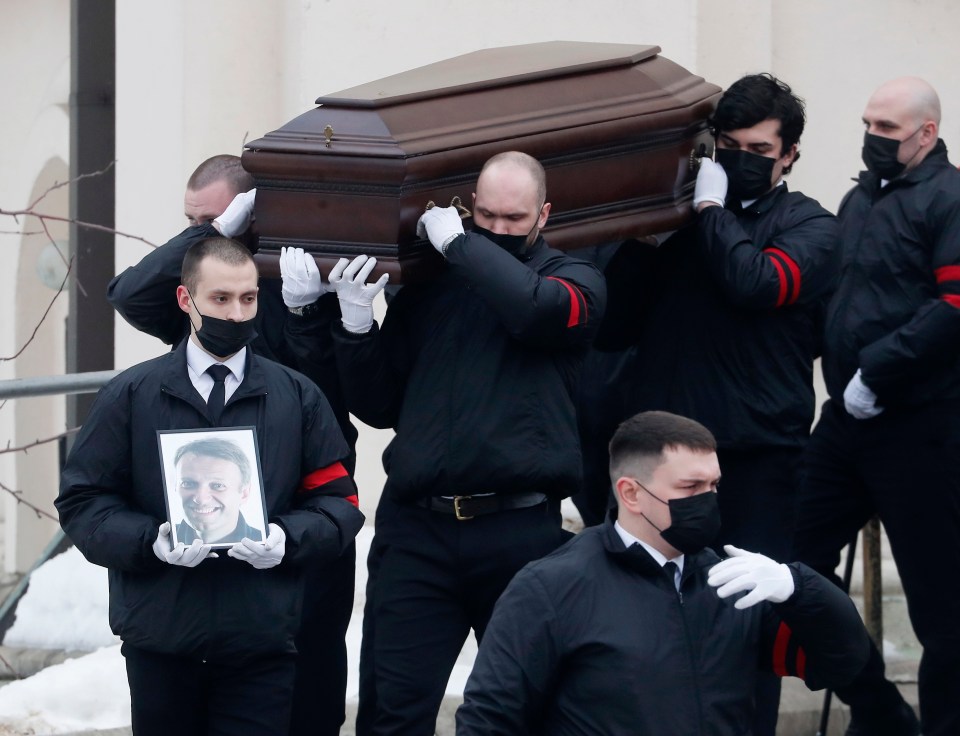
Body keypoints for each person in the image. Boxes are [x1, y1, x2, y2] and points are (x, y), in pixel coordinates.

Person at [315, 151, 606, 735]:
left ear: (544, 215)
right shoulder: (432, 288)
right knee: (392, 715)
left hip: (519, 534)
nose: (497, 230)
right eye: (486, 216)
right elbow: (380, 406)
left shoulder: (575, 282)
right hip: (418, 532)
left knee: (523, 714)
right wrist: (354, 326)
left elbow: (531, 311)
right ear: (469, 208)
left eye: (513, 219)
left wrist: (458, 247)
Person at [589, 73, 839, 734]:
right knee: (642, 620)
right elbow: (613, 328)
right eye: (726, 145)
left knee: (743, 629)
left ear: (789, 156)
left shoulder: (811, 227)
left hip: (756, 464)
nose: (738, 160)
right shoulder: (686, 226)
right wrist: (645, 243)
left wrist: (708, 214)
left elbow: (754, 282)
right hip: (661, 465)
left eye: (757, 149)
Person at [57, 237, 365, 736]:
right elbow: (83, 501)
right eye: (220, 299)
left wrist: (288, 538)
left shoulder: (296, 396)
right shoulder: (131, 395)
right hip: (162, 640)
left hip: (262, 642)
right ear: (186, 301)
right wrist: (148, 540)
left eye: (248, 299)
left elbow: (339, 501)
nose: (237, 314)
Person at [456, 410, 872, 735]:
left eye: (713, 486)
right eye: (690, 488)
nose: (707, 500)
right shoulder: (551, 587)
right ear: (631, 493)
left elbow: (843, 662)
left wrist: (799, 587)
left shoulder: (732, 583)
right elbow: (490, 717)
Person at [791, 76, 960, 736]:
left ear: (926, 133)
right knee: (795, 562)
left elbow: (953, 306)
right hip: (845, 425)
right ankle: (878, 709)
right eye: (867, 124)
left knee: (941, 606)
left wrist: (879, 372)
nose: (872, 139)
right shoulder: (858, 199)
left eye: (887, 129)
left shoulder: (949, 199)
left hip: (922, 429)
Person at [173, 437, 263, 545]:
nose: (201, 499)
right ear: (175, 488)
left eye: (218, 485)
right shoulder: (160, 539)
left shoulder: (267, 545)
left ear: (244, 494)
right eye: (188, 484)